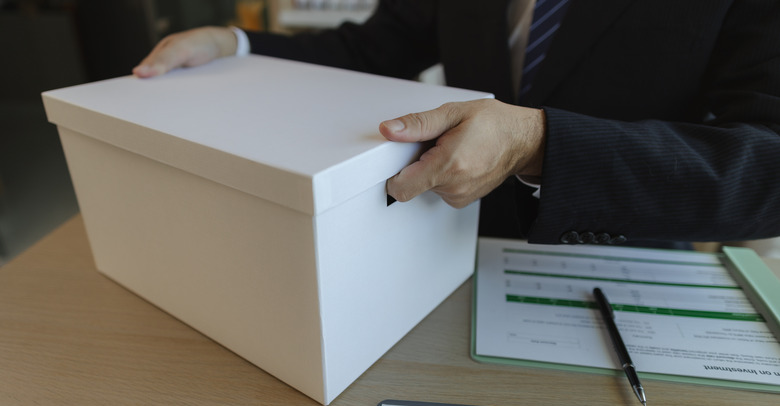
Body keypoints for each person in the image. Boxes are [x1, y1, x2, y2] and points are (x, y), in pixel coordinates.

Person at [133, 0, 780, 249]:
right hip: (449, 245)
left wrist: (538, 143)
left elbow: (768, 163)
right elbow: (370, 50)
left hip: (624, 258)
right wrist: (236, 45)